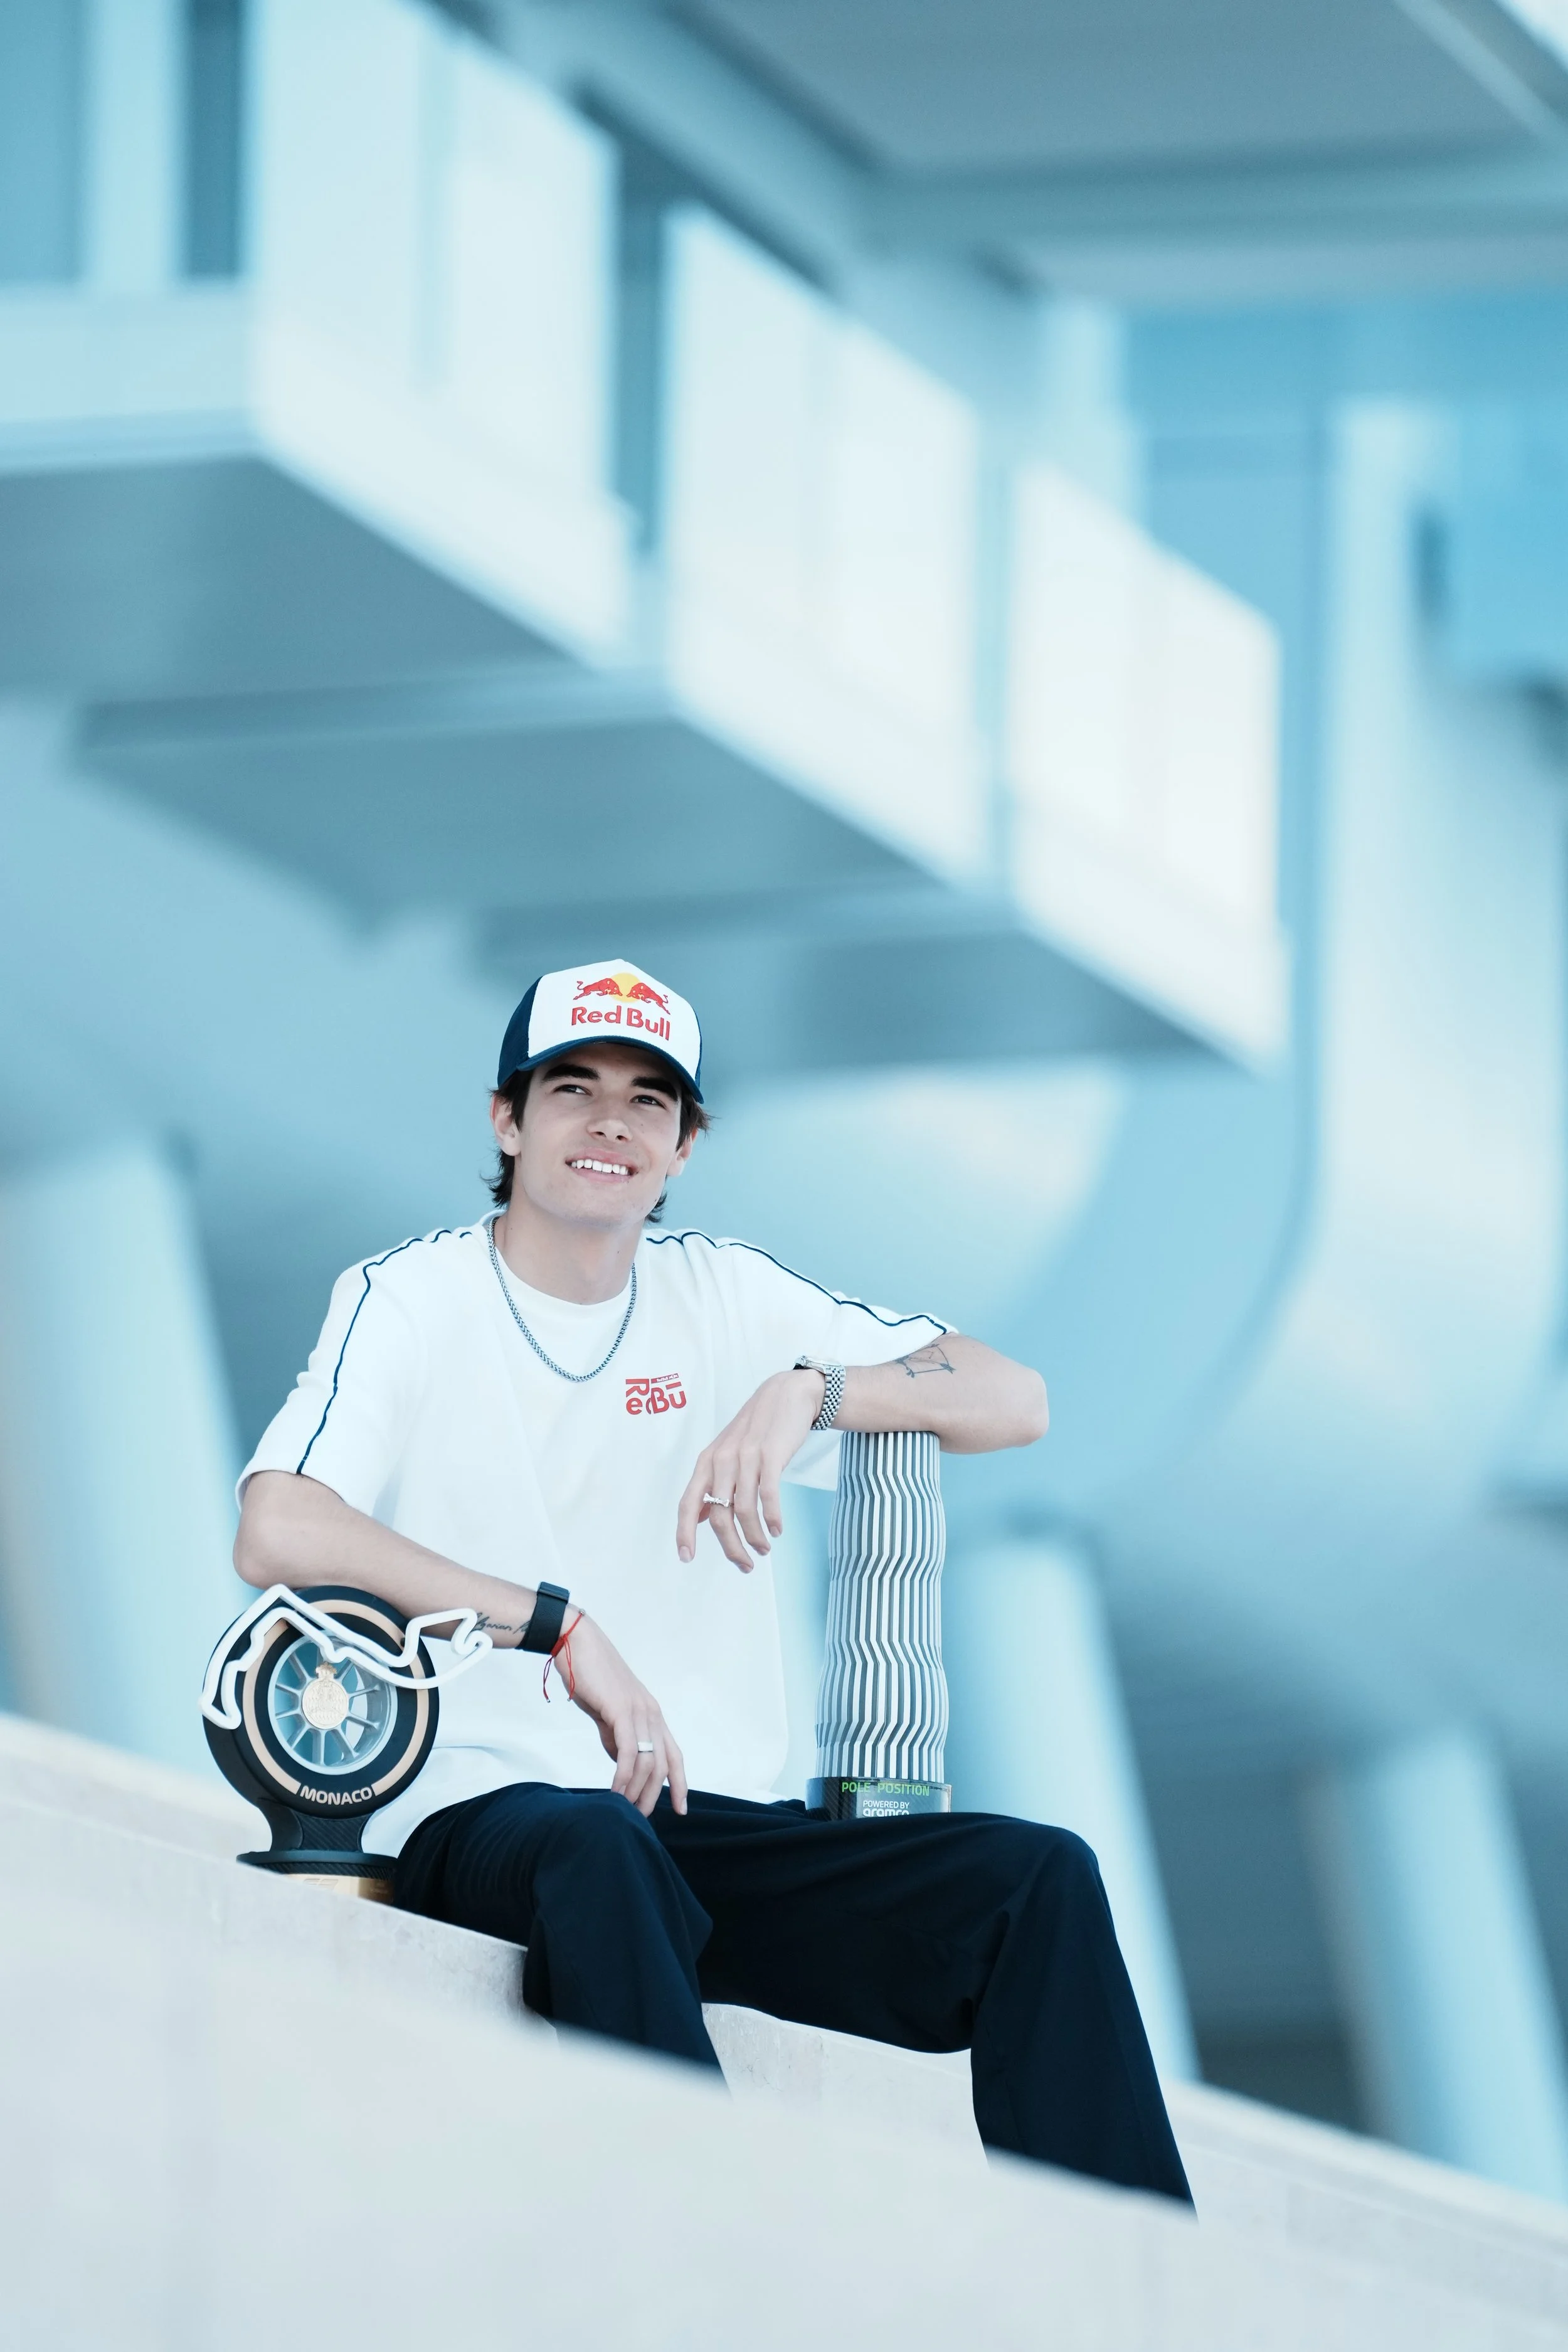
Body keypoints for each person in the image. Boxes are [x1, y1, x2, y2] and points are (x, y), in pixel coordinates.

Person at [235, 956, 1191, 2203]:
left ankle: (1132, 2276)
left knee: (1036, 1879)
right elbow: (279, 1526)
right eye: (572, 1089)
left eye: (648, 1101)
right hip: (480, 1818)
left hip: (701, 1834)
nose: (610, 1124)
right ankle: (711, 2240)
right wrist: (555, 1626)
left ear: (683, 1146)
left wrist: (814, 1391)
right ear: (507, 1120)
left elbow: (1014, 1397)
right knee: (595, 1842)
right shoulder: (411, 1296)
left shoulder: (728, 1297)